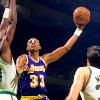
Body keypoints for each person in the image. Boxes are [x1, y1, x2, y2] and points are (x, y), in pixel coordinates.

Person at [16, 20, 87, 100]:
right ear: (27, 48)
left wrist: (78, 30)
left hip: (42, 98)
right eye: (30, 42)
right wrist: (21, 69)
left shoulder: (44, 60)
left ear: (39, 47)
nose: (33, 42)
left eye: (35, 41)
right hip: (28, 97)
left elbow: (66, 48)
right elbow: (18, 68)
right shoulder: (24, 58)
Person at [0, 0, 18, 99]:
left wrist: (7, 8)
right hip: (7, 96)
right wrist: (12, 2)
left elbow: (2, 28)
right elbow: (12, 23)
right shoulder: (4, 48)